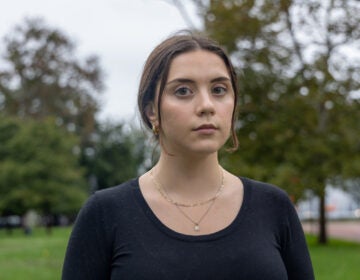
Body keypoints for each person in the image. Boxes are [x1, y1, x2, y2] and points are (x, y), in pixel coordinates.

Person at [62, 31, 314, 280]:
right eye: (183, 91)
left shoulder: (273, 207)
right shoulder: (105, 214)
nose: (206, 105)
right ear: (152, 111)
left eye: (218, 89)